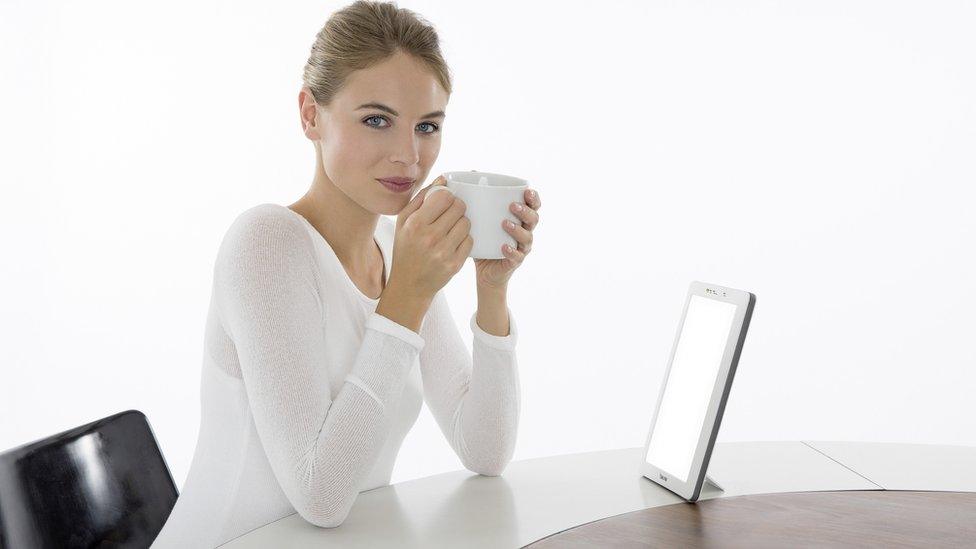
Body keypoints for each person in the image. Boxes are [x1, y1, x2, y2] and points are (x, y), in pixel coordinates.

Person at [150, 1, 542, 546]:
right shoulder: (266, 244)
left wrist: (492, 286)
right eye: (376, 120)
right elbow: (320, 496)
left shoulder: (395, 247)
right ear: (311, 114)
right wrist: (407, 292)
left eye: (426, 126)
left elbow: (485, 450)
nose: (409, 156)